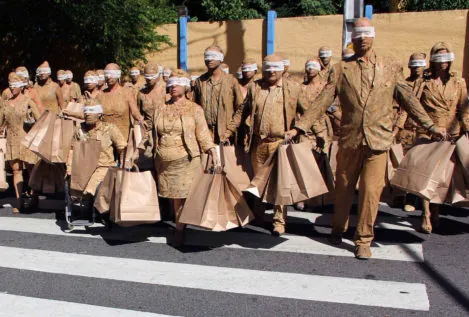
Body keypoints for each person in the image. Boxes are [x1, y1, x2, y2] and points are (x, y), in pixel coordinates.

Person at [287, 18, 445, 259]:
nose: (361, 38)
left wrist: (430, 125)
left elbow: (408, 100)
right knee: (343, 190)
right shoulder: (341, 69)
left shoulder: (390, 67)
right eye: (357, 34)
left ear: (373, 36)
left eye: (366, 33)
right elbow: (322, 101)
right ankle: (338, 228)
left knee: (372, 192)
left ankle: (363, 239)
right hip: (349, 140)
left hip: (378, 141)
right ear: (352, 38)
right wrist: (300, 127)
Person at [224, 54, 305, 236]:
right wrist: (227, 132)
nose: (271, 72)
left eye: (275, 68)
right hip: (259, 144)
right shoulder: (255, 88)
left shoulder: (292, 88)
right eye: (268, 68)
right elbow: (241, 113)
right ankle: (257, 215)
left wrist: (299, 129)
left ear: (282, 69)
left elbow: (306, 112)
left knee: (279, 184)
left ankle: (279, 221)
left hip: (280, 144)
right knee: (257, 182)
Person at [139, 69, 219, 246]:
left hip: (186, 158)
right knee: (173, 197)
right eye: (171, 84)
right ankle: (180, 221)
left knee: (182, 196)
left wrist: (212, 151)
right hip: (164, 160)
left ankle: (180, 229)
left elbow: (203, 134)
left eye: (177, 83)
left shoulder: (194, 109)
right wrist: (134, 152)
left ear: (186, 86)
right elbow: (149, 133)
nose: (173, 86)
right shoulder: (160, 108)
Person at [417, 42, 469, 234]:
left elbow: (463, 109)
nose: (443, 63)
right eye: (439, 58)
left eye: (446, 58)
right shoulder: (424, 84)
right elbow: (415, 108)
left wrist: (467, 128)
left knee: (442, 178)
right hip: (429, 134)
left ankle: (436, 209)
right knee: (427, 175)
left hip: (451, 135)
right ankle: (425, 213)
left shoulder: (459, 83)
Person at [66, 101, 126, 203]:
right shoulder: (79, 129)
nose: (87, 114)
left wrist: (122, 167)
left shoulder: (109, 129)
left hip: (104, 167)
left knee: (91, 189)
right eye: (85, 111)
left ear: (99, 114)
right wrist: (69, 168)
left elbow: (122, 148)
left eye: (91, 111)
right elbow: (72, 149)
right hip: (83, 168)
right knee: (75, 189)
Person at [295, 58, 332, 211]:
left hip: (322, 129)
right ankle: (302, 197)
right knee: (305, 164)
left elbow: (333, 107)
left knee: (320, 163)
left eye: (314, 66)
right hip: (304, 129)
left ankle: (317, 198)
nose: (310, 69)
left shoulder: (326, 88)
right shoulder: (300, 88)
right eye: (308, 66)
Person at [0, 73, 41, 213]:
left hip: (26, 139)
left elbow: (40, 119)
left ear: (21, 86)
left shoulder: (28, 101)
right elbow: (1, 122)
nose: (12, 88)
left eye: (15, 85)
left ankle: (34, 196)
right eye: (10, 85)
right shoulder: (5, 103)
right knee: (16, 169)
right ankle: (19, 201)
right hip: (12, 139)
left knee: (30, 169)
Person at [393, 53, 428, 212]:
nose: (417, 68)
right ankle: (400, 194)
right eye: (414, 65)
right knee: (402, 163)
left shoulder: (427, 84)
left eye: (420, 64)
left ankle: (413, 198)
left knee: (418, 165)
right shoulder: (404, 83)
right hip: (404, 128)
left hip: (422, 129)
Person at [192, 45, 243, 144]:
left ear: (221, 58)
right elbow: (195, 108)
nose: (210, 59)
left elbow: (240, 109)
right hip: (205, 133)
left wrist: (230, 131)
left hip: (226, 133)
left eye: (213, 56)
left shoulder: (231, 81)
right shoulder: (200, 81)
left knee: (225, 159)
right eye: (207, 56)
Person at [97, 63, 144, 142]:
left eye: (111, 74)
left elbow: (134, 111)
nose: (108, 77)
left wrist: (139, 118)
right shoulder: (100, 95)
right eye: (106, 74)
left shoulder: (127, 92)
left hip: (123, 135)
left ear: (118, 74)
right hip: (106, 137)